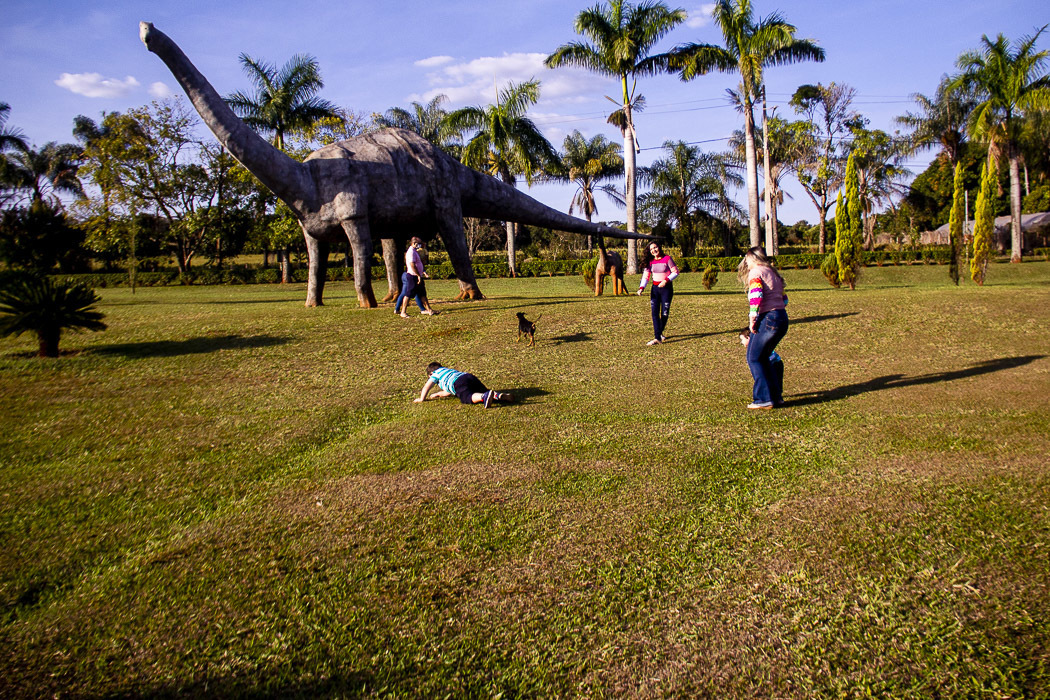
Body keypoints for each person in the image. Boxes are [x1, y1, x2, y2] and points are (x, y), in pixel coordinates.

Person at [738, 246, 788, 409]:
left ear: (752, 258)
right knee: (764, 358)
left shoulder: (756, 272)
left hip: (768, 318)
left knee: (754, 358)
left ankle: (763, 398)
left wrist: (753, 318)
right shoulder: (772, 272)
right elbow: (784, 299)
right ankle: (775, 396)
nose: (745, 262)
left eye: (746, 259)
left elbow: (756, 296)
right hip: (781, 317)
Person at [636, 241, 679, 346]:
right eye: (651, 249)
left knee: (664, 313)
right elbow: (646, 276)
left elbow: (675, 271)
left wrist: (666, 280)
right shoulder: (650, 262)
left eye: (655, 248)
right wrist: (641, 287)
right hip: (655, 289)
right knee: (654, 313)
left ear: (659, 247)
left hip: (666, 289)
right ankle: (657, 337)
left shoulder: (667, 259)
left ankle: (659, 334)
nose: (654, 250)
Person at [414, 362, 512, 408]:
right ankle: (497, 395)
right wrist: (438, 394)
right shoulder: (446, 371)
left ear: (430, 374)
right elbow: (449, 391)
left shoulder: (434, 375)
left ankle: (484, 397)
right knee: (482, 389)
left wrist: (422, 398)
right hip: (468, 377)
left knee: (467, 397)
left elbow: (427, 387)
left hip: (458, 383)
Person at [394, 237, 437, 317]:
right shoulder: (411, 252)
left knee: (422, 294)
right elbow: (412, 265)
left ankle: (430, 310)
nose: (419, 245)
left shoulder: (415, 251)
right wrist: (418, 275)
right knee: (408, 294)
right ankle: (403, 312)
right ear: (414, 243)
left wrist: (422, 273)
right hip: (412, 276)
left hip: (418, 276)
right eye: (418, 244)